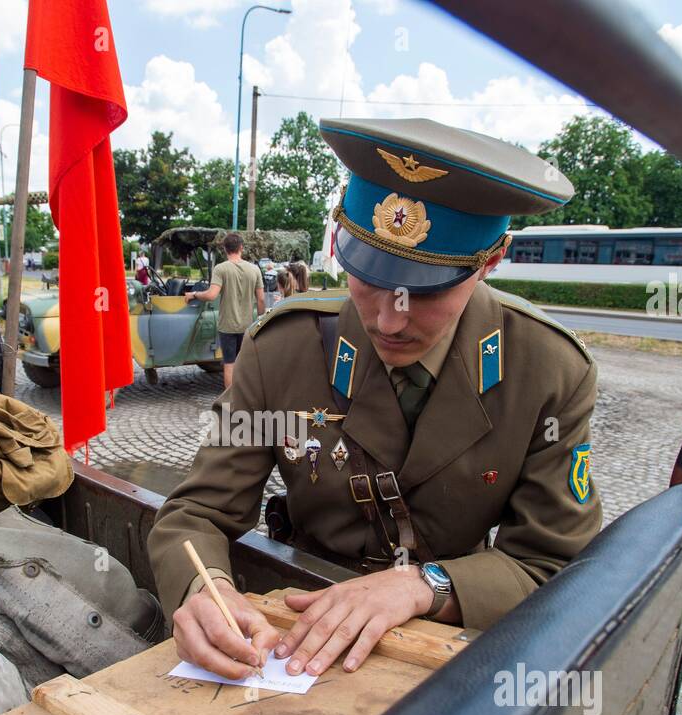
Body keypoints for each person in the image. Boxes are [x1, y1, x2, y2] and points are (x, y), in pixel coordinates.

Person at [148, 117, 602, 681]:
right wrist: (205, 589)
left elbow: (555, 564)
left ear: (490, 261)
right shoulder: (283, 351)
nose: (389, 320)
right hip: (296, 638)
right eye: (368, 278)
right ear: (341, 243)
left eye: (426, 290)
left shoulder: (547, 371)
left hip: (445, 650)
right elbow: (195, 513)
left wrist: (424, 585)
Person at [183, 232, 264, 389]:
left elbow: (211, 295)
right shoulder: (254, 270)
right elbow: (261, 299)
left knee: (229, 364)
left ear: (225, 249)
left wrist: (194, 294)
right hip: (248, 325)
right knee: (245, 364)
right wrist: (259, 318)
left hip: (227, 326)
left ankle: (229, 402)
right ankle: (245, 398)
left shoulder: (221, 269)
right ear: (241, 247)